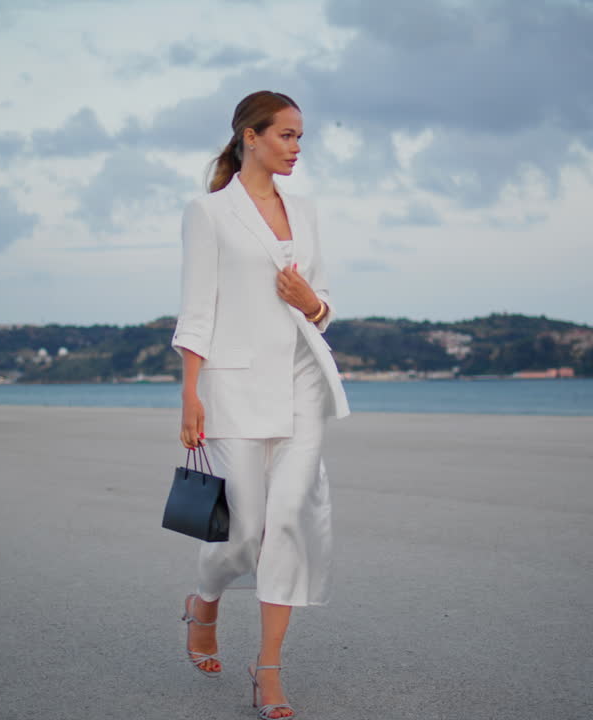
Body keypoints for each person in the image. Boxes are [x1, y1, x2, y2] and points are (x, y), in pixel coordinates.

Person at [172, 90, 350, 720]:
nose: (297, 148)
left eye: (302, 137)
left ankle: (268, 670)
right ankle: (205, 601)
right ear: (251, 136)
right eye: (287, 135)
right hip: (233, 386)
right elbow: (198, 309)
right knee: (244, 530)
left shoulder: (306, 211)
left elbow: (323, 310)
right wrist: (190, 392)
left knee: (291, 520)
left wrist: (308, 298)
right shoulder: (209, 212)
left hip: (301, 383)